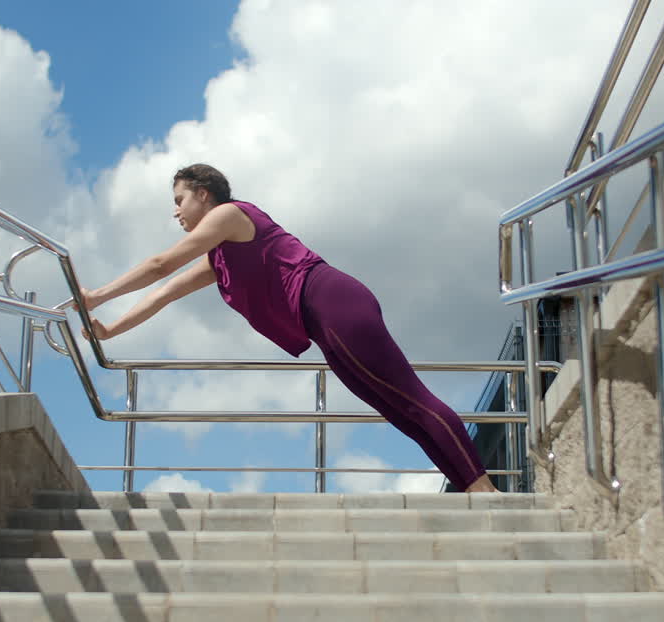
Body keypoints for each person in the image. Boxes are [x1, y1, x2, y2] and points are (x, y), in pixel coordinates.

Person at [79, 164, 499, 493]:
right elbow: (165, 291)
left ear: (203, 195)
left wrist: (97, 294)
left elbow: (160, 265)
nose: (175, 211)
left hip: (332, 301)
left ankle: (484, 491)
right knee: (397, 410)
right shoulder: (220, 257)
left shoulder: (229, 214)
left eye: (179, 200)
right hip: (320, 320)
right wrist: (110, 330)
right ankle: (472, 487)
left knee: (413, 399)